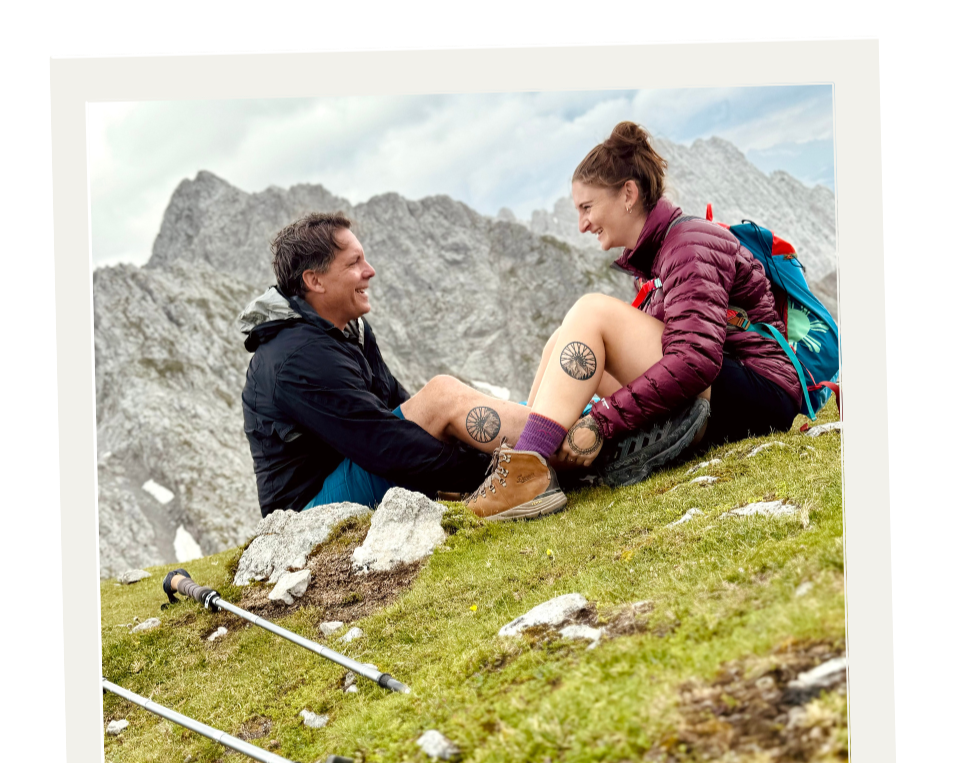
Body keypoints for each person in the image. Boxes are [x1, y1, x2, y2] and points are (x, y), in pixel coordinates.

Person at [461, 121, 803, 520]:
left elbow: (695, 359)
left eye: (587, 208)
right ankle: (528, 463)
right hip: (724, 389)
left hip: (760, 393)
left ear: (628, 194)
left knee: (591, 311)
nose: (582, 225)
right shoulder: (659, 259)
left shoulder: (690, 243)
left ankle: (527, 471)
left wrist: (601, 421)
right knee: (560, 341)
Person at [241, 212, 559, 518]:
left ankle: (565, 434)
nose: (370, 271)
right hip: (308, 511)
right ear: (315, 280)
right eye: (354, 263)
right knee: (441, 396)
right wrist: (487, 469)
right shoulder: (296, 356)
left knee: (454, 404)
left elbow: (400, 408)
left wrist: (471, 445)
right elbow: (382, 445)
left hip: (359, 468)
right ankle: (560, 448)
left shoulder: (350, 333)